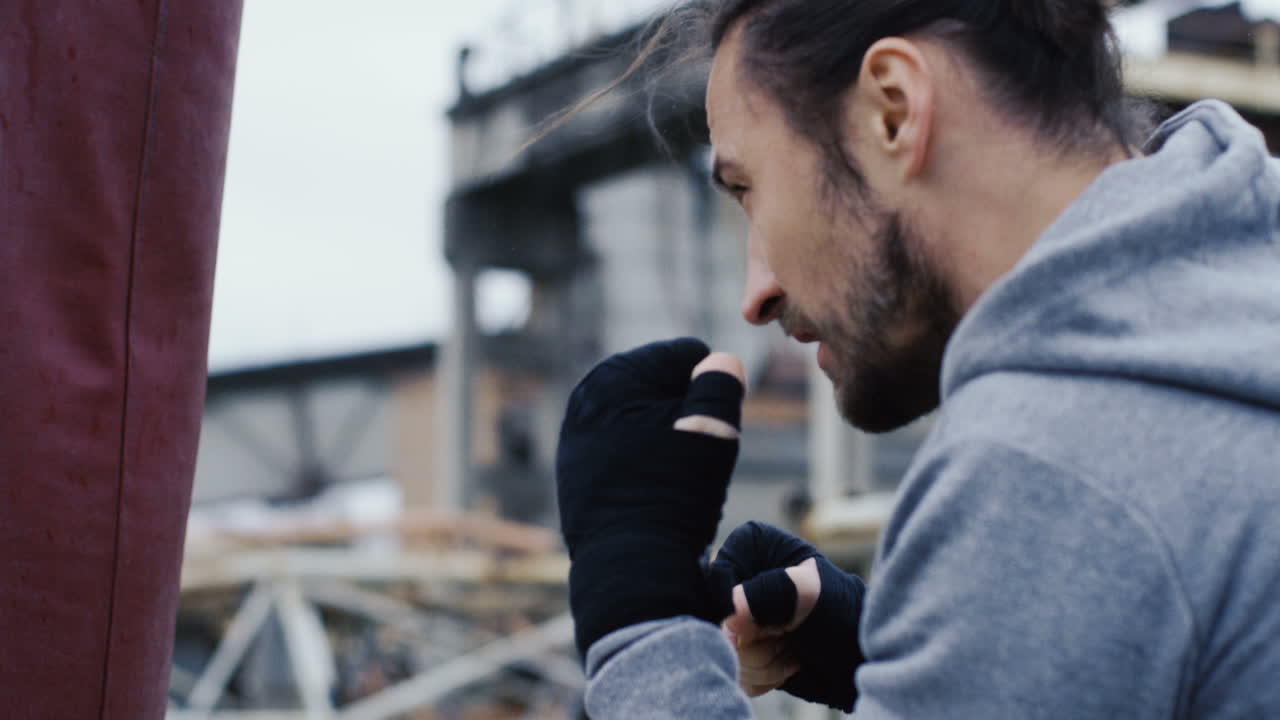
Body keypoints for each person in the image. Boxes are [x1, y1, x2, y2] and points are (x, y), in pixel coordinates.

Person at [554, 0, 1280, 718]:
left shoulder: (1048, 469)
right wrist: (898, 658)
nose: (758, 293)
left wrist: (638, 622)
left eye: (748, 189)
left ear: (893, 110)